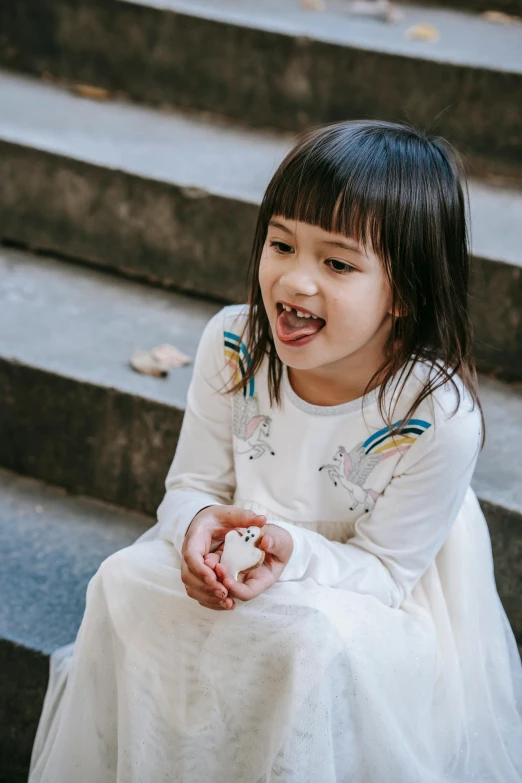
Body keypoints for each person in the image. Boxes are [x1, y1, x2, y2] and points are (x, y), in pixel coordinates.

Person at [29, 120, 522, 782]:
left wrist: (291, 555)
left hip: (362, 593)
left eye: (338, 262)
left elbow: (383, 572)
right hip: (241, 556)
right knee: (122, 579)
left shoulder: (435, 415)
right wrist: (194, 529)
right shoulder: (233, 345)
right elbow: (193, 485)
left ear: (405, 292)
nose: (295, 281)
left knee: (305, 636)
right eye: (282, 243)